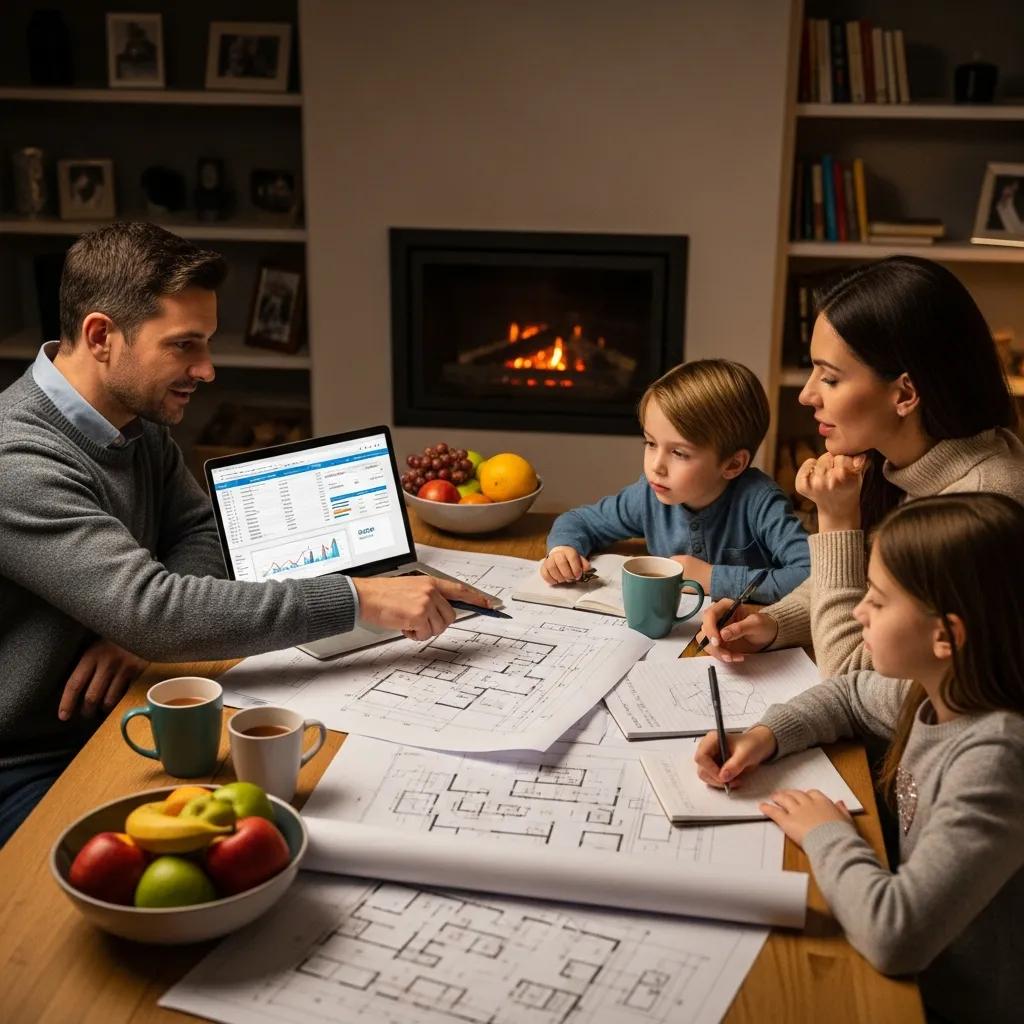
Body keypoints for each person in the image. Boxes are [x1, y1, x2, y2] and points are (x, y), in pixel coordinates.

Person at [0, 222, 491, 845]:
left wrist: (135, 628)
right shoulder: (18, 460)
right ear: (101, 336)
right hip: (32, 762)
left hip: (138, 700)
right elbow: (155, 612)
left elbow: (199, 529)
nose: (206, 370)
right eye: (184, 345)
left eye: (206, 343)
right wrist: (359, 597)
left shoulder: (134, 420)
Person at [694, 493, 1024, 1022]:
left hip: (949, 1003)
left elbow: (896, 936)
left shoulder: (996, 760)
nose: (858, 611)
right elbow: (849, 694)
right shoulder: (939, 690)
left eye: (878, 599)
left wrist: (827, 832)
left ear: (946, 636)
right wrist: (765, 735)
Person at [699, 256, 1024, 674]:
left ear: (905, 394)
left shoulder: (980, 508)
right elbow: (863, 587)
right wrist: (772, 622)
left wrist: (836, 521)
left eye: (830, 378)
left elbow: (850, 673)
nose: (807, 395)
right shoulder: (897, 464)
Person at [541, 359, 810, 604]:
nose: (656, 466)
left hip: (749, 628)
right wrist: (564, 550)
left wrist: (712, 579)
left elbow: (811, 576)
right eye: (650, 443)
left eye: (679, 453)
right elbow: (579, 521)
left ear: (732, 464)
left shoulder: (761, 503)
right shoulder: (647, 496)